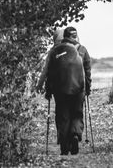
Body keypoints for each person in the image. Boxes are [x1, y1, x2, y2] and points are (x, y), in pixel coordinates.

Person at [45, 26, 92, 155]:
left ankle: (64, 144)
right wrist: (87, 88)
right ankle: (75, 135)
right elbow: (87, 71)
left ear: (64, 36)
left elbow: (50, 73)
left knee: (62, 115)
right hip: (78, 89)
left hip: (60, 90)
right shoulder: (82, 50)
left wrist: (48, 90)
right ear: (76, 36)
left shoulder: (56, 51)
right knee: (77, 113)